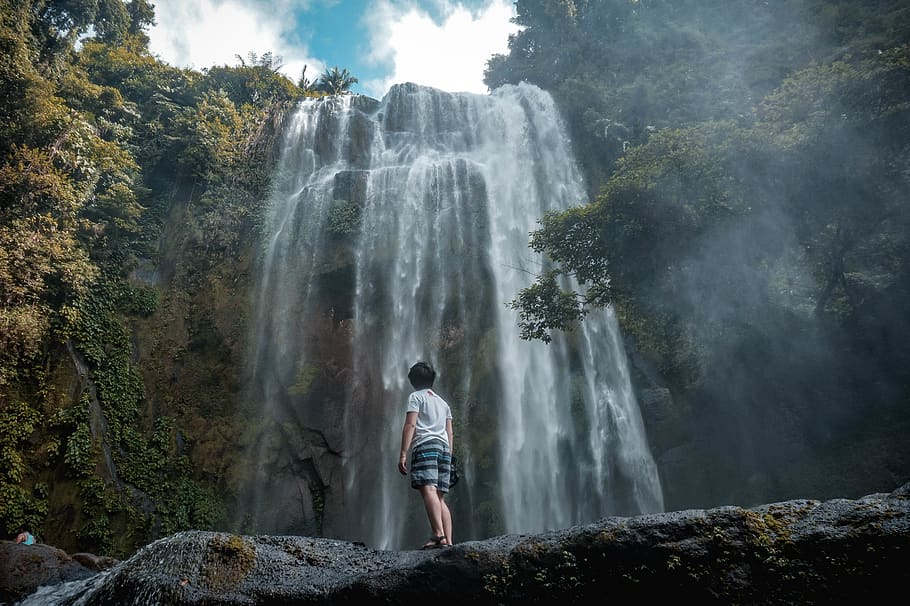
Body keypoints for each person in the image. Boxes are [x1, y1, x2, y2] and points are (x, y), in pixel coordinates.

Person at [397, 361, 454, 549]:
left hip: (426, 445)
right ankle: (449, 541)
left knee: (428, 489)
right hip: (444, 448)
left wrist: (403, 453)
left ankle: (438, 534)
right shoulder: (443, 402)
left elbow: (410, 425)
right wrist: (450, 457)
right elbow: (450, 432)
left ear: (412, 381)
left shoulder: (416, 397)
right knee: (439, 496)